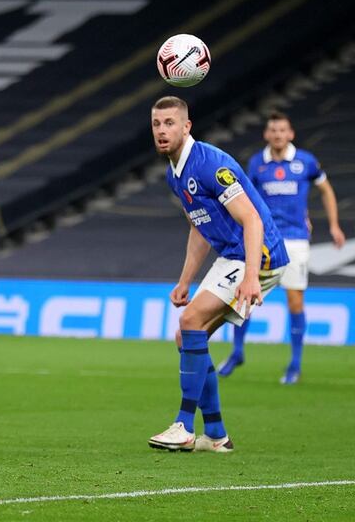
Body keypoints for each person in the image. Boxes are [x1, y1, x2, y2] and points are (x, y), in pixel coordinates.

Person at [147, 96, 289, 453]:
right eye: (156, 124)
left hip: (260, 254)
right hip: (232, 255)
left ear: (186, 127)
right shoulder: (174, 173)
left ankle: (183, 425)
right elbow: (200, 227)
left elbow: (252, 219)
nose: (162, 131)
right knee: (187, 336)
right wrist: (185, 279)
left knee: (191, 320)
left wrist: (252, 276)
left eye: (169, 123)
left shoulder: (210, 164)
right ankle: (216, 435)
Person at [217, 112, 345, 384]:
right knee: (247, 296)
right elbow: (246, 198)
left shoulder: (305, 162)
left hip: (296, 239)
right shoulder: (257, 164)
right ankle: (237, 352)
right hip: (264, 239)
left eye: (282, 130)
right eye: (273, 130)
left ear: (291, 134)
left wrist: (333, 225)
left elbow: (327, 190)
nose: (277, 134)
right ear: (266, 134)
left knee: (295, 300)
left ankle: (295, 364)